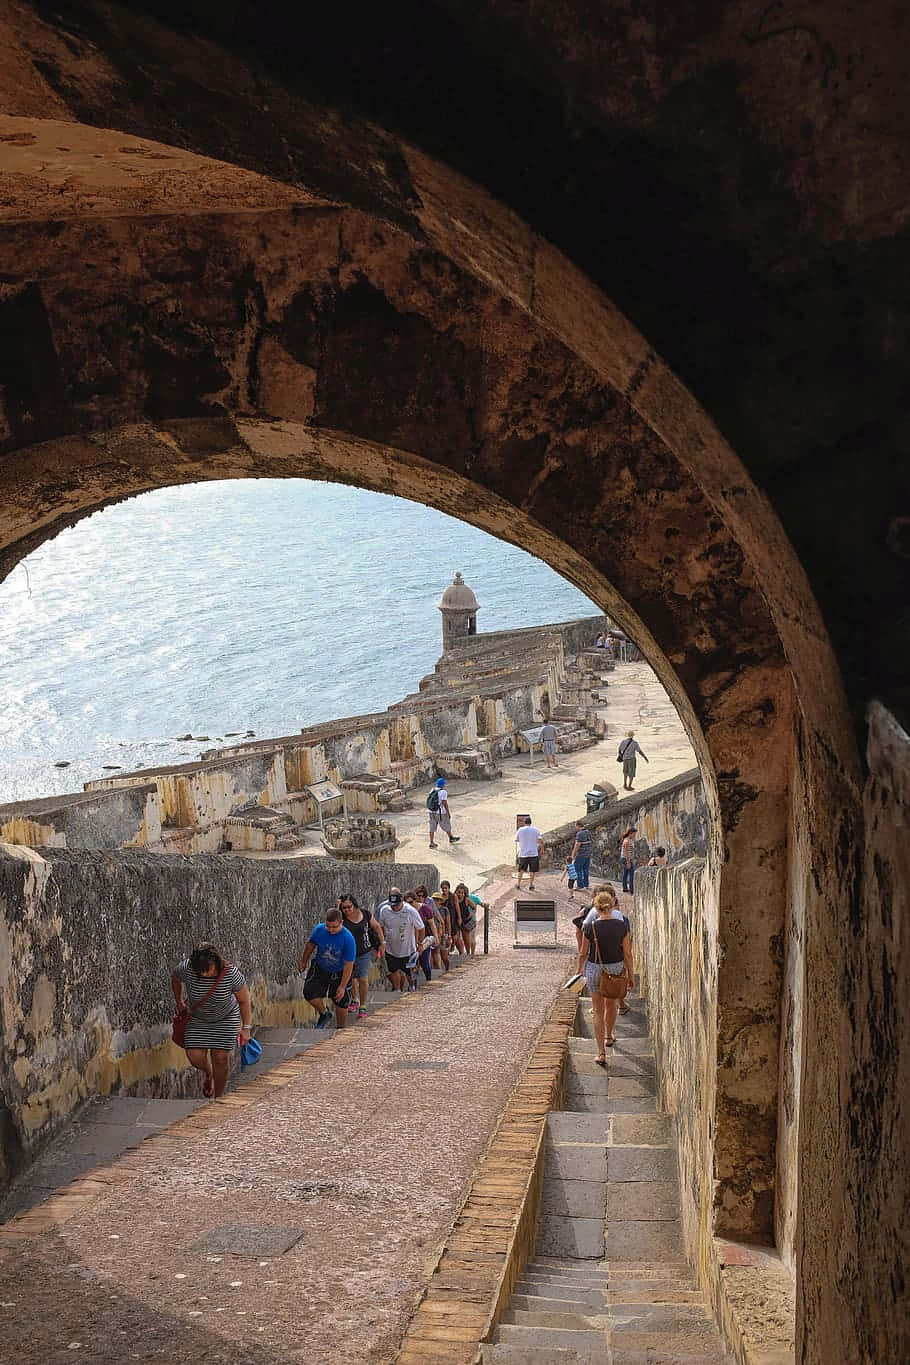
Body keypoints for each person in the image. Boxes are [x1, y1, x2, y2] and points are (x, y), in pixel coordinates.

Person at [171, 942, 252, 1099]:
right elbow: (175, 978)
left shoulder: (231, 973)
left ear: (216, 962)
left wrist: (246, 1028)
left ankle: (219, 1098)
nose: (204, 975)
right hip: (198, 1017)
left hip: (226, 1017)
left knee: (220, 1058)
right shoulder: (187, 968)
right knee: (194, 1056)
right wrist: (179, 1002)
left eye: (208, 971)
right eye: (200, 972)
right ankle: (209, 1074)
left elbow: (244, 1001)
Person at [577, 894, 634, 1062]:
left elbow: (583, 953)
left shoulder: (590, 927)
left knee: (597, 1011)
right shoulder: (622, 926)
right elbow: (628, 953)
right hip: (615, 968)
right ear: (612, 905)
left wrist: (579, 970)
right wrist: (631, 975)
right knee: (612, 1005)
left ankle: (601, 1052)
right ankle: (609, 1036)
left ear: (596, 907)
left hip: (595, 969)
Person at [299, 906, 357, 1028]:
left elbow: (349, 964)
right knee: (309, 992)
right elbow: (310, 945)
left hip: (340, 971)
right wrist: (304, 961)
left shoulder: (348, 938)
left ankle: (340, 1027)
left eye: (334, 927)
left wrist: (342, 986)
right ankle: (324, 1013)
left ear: (341, 923)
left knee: (340, 1000)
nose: (330, 930)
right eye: (328, 926)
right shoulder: (319, 930)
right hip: (321, 967)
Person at [340, 893, 385, 1019]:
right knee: (351, 978)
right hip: (348, 953)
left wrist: (382, 943)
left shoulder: (365, 914)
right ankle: (355, 999)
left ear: (354, 905)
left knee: (363, 979)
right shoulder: (341, 918)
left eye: (349, 907)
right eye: (344, 908)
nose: (347, 910)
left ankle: (363, 1005)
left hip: (364, 951)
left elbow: (376, 927)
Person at [377, 885, 426, 993]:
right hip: (391, 949)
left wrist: (420, 943)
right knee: (393, 970)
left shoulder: (411, 911)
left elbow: (421, 928)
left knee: (411, 973)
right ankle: (397, 989)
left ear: (402, 901)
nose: (394, 908)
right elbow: (380, 926)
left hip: (409, 950)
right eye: (392, 905)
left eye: (397, 905)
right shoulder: (384, 910)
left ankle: (413, 988)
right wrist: (382, 941)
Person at [428, 776, 460, 848]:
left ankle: (431, 843)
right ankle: (451, 838)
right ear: (443, 785)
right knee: (446, 824)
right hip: (440, 812)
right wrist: (448, 813)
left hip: (431, 811)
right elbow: (444, 803)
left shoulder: (432, 789)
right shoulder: (443, 792)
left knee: (432, 827)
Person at [515, 815, 543, 891]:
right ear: (531, 822)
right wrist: (542, 849)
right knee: (532, 871)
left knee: (521, 870)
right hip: (533, 853)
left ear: (524, 822)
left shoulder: (520, 830)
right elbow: (540, 840)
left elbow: (516, 840)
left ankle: (518, 884)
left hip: (523, 853)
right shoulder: (536, 830)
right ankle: (531, 885)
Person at [454, 883, 479, 955]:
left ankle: (468, 953)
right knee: (456, 937)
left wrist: (472, 914)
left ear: (464, 894)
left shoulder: (466, 900)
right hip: (456, 920)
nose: (460, 894)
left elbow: (474, 907)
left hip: (466, 920)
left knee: (466, 938)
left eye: (462, 893)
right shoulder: (453, 899)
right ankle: (461, 952)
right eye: (459, 892)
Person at [570, 819, 593, 890]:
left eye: (576, 826)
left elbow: (577, 845)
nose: (575, 828)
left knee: (578, 870)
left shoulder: (580, 833)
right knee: (585, 870)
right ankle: (586, 884)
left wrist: (573, 854)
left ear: (578, 826)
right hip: (588, 854)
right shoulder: (588, 832)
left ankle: (580, 885)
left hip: (581, 854)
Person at [620, 825, 638, 894]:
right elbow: (627, 853)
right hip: (627, 859)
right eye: (634, 833)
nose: (634, 835)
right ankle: (632, 890)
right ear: (630, 833)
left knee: (625, 874)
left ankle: (625, 888)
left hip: (626, 858)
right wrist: (628, 862)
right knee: (631, 874)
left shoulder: (629, 839)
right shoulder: (627, 841)